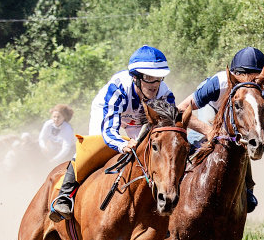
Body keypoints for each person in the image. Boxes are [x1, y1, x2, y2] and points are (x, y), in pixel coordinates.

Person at [49, 45, 175, 222]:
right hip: (109, 112)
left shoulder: (165, 94)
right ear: (135, 77)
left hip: (138, 118)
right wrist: (123, 144)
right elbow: (108, 131)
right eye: (148, 78)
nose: (154, 84)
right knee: (95, 147)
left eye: (158, 78)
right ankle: (64, 195)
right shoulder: (118, 88)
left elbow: (167, 132)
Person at [177, 47, 264, 212]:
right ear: (233, 76)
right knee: (197, 140)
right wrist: (208, 130)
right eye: (243, 77)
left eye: (254, 78)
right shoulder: (218, 83)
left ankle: (246, 188)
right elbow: (179, 110)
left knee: (244, 141)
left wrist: (256, 142)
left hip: (238, 117)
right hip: (212, 106)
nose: (249, 81)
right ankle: (178, 183)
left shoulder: (262, 95)